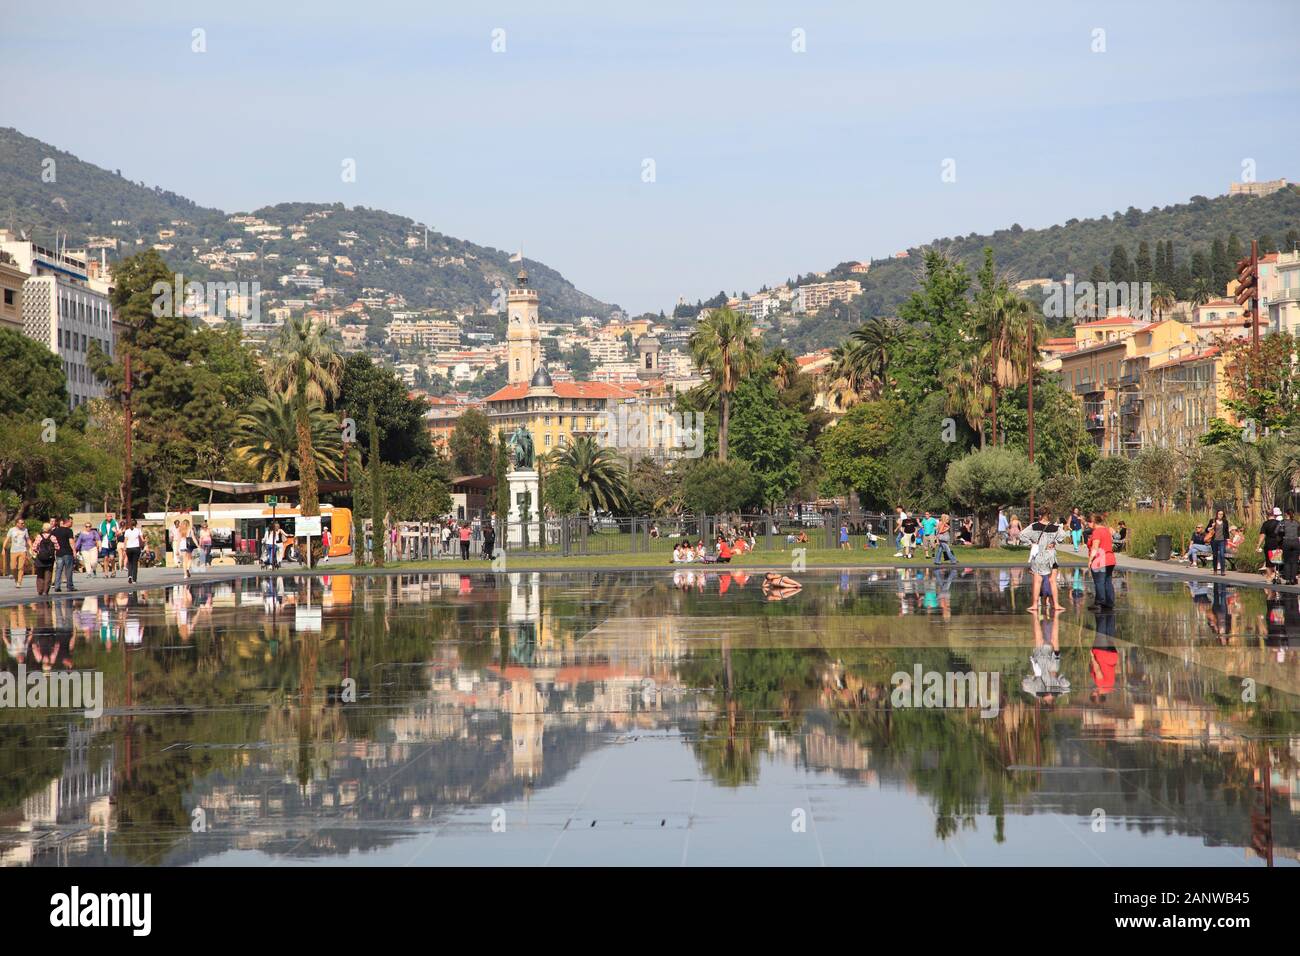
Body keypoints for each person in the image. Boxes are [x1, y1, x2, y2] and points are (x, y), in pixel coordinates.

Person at [1019, 508, 1068, 613]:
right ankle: (1056, 604)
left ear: (1039, 515)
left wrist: (1031, 543)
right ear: (1049, 515)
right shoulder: (1055, 527)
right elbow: (1063, 535)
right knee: (1053, 581)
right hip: (1051, 556)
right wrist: (1054, 542)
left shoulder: (1033, 526)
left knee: (1037, 581)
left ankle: (1035, 605)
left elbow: (1022, 535)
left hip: (1039, 556)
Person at [1087, 513, 1116, 610]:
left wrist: (1090, 560)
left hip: (1100, 560)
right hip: (1110, 559)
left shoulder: (1097, 532)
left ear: (1094, 522)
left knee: (1099, 582)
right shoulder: (1106, 530)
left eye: (1089, 522)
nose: (1088, 524)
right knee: (1107, 581)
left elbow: (1095, 547)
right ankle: (1109, 602)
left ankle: (1100, 602)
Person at [1257, 506, 1285, 584]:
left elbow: (1262, 535)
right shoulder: (1278, 523)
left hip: (1268, 544)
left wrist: (1258, 545)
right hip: (1277, 544)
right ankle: (1277, 577)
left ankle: (1269, 578)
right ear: (1274, 514)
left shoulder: (1265, 524)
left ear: (1267, 515)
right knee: (1277, 561)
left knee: (1269, 562)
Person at [51, 516, 76, 593]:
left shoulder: (55, 530)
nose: (72, 523)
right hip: (68, 552)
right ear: (67, 522)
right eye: (71, 522)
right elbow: (71, 541)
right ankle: (69, 586)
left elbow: (52, 540)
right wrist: (74, 551)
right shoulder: (69, 531)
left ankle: (57, 586)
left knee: (58, 570)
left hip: (59, 553)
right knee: (68, 570)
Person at [32, 522, 58, 596]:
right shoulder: (53, 537)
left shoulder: (39, 537)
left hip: (40, 558)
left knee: (40, 574)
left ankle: (40, 590)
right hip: (50, 559)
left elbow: (34, 547)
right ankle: (45, 591)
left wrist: (38, 552)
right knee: (48, 574)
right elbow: (57, 547)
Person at [1203, 509, 1230, 576]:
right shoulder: (1212, 521)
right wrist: (1212, 526)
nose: (1220, 515)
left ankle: (1222, 571)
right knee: (1215, 555)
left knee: (1221, 555)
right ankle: (1215, 570)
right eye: (1219, 514)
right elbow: (1206, 530)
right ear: (1217, 514)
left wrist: (1228, 540)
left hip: (1222, 540)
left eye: (1221, 514)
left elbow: (1226, 531)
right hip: (1214, 540)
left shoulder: (1225, 521)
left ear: (1223, 515)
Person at [7, 518, 29, 586]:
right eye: (21, 523)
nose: (23, 524)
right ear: (17, 523)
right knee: (13, 567)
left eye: (23, 523)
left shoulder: (25, 530)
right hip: (13, 551)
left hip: (22, 550)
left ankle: (19, 582)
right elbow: (7, 538)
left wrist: (31, 547)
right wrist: (3, 549)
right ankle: (16, 579)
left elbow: (28, 539)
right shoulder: (12, 530)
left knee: (21, 567)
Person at [1280, 508, 1300, 586]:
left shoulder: (1283, 522)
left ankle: (1288, 580)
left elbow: (1277, 531)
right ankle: (1293, 579)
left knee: (1287, 562)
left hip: (1286, 542)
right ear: (1293, 514)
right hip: (1295, 542)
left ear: (1286, 514)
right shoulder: (1297, 523)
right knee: (1294, 562)